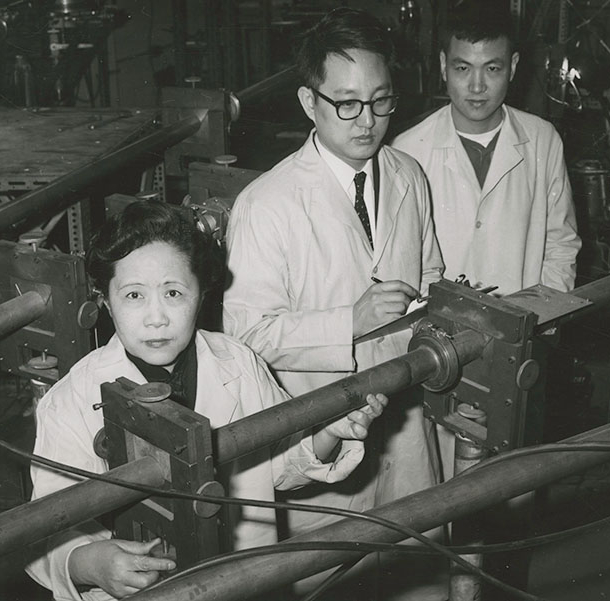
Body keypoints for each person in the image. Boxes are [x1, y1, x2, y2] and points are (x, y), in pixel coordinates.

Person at [25, 201, 388, 601]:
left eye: (174, 293)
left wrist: (326, 433)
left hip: (245, 583)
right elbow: (43, 529)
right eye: (133, 295)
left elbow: (281, 466)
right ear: (107, 302)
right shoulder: (72, 400)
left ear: (201, 296)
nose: (156, 317)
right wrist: (90, 563)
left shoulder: (238, 362)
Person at [223, 7, 445, 599]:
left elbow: (431, 278)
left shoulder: (410, 175)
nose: (367, 121)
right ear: (308, 101)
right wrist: (350, 321)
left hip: (405, 425)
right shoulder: (265, 204)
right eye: (346, 103)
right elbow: (245, 337)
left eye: (380, 101)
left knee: (417, 575)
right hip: (316, 442)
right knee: (327, 584)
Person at [393, 2, 580, 298]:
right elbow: (400, 261)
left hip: (523, 327)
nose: (477, 86)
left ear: (513, 66)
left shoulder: (543, 140)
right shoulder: (406, 150)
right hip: (437, 331)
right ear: (444, 66)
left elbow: (560, 243)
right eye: (463, 68)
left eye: (492, 68)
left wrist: (539, 319)